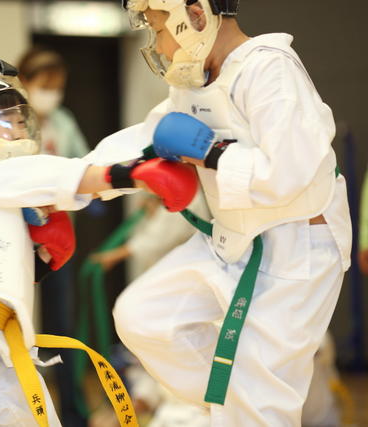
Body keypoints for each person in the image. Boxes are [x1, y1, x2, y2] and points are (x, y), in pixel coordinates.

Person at [0, 55, 198, 427]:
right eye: (0, 119)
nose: (14, 127)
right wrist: (133, 174)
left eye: (16, 118)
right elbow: (60, 173)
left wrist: (37, 261)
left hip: (3, 339)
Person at [97, 0, 351, 425]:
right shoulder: (192, 80)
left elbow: (291, 171)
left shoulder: (270, 69)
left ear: (194, 15)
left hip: (295, 251)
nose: (157, 45)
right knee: (143, 316)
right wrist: (75, 185)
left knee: (261, 398)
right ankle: (237, 405)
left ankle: (251, 408)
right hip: (230, 240)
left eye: (159, 29)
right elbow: (148, 138)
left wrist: (211, 153)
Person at [17, 47, 89, 427]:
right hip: (17, 244)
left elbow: (84, 164)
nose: (51, 93)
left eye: (57, 86)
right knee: (18, 325)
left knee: (63, 325)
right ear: (25, 83)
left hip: (58, 245)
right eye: (44, 85)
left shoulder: (63, 121)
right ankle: (21, 411)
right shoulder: (10, 121)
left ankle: (74, 413)